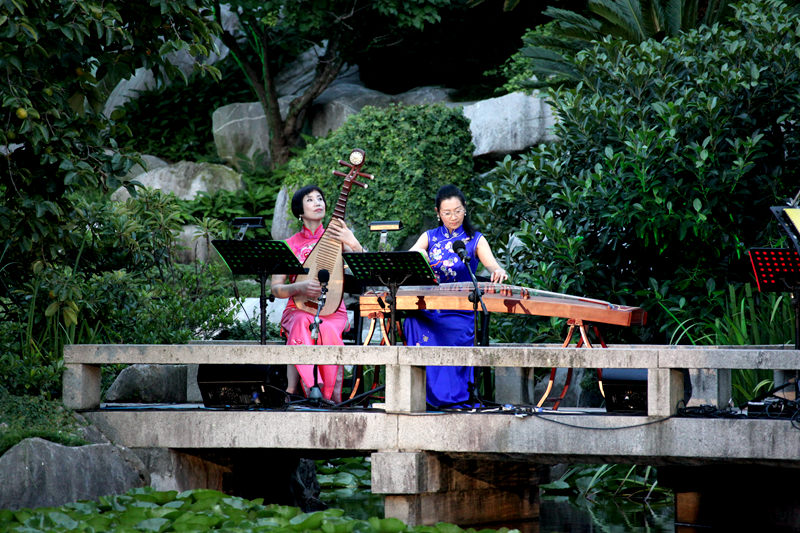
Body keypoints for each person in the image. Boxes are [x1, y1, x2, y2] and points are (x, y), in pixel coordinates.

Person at [403, 184, 508, 408]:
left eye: (458, 211)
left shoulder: (475, 240)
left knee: (457, 335)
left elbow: (493, 267)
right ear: (438, 213)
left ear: (465, 209)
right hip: (432, 308)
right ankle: (424, 394)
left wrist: (498, 271)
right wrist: (418, 254)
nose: (453, 217)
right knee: (412, 321)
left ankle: (453, 396)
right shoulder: (429, 237)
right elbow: (410, 258)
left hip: (460, 310)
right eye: (447, 213)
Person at [271, 185, 363, 402]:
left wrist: (352, 241)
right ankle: (313, 388)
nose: (318, 203)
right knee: (303, 321)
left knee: (327, 327)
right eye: (310, 200)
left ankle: (329, 394)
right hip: (299, 308)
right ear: (300, 211)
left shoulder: (337, 238)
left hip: (333, 310)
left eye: (320, 198)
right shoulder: (289, 245)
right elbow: (276, 288)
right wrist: (299, 288)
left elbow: (364, 268)